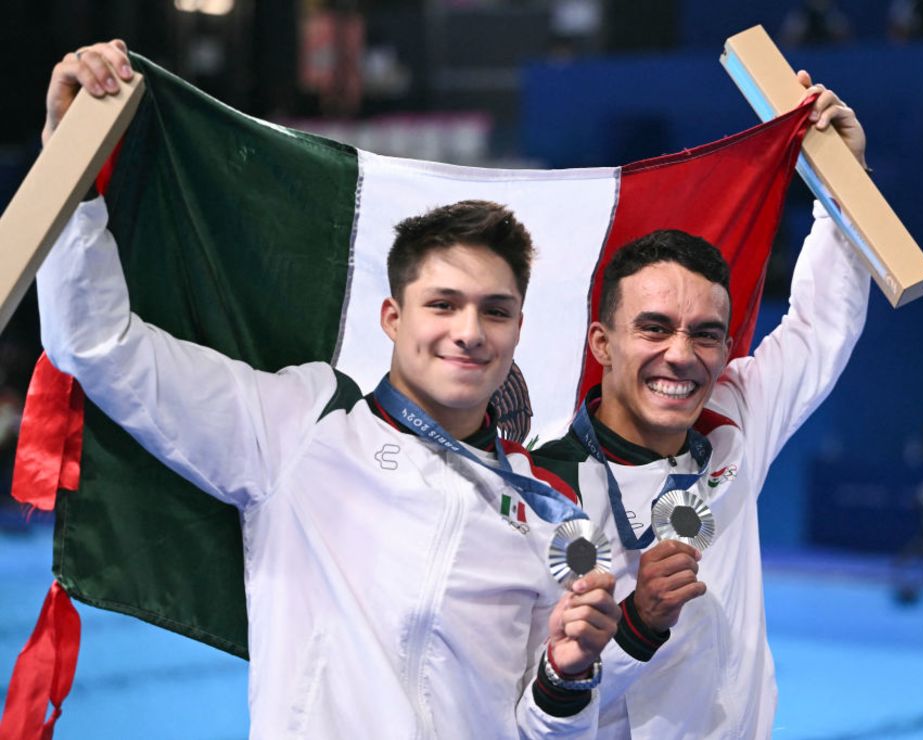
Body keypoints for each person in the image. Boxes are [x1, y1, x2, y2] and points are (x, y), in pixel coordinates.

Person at [38, 40, 620, 738]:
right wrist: (64, 168)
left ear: (518, 328)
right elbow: (97, 346)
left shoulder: (549, 512)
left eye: (494, 310)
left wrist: (564, 678)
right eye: (443, 304)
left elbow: (542, 730)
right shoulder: (300, 427)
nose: (469, 331)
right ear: (393, 318)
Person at [530, 73, 872, 738]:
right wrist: (638, 625)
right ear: (601, 342)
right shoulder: (544, 491)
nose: (682, 355)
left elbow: (818, 327)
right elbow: (532, 716)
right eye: (654, 328)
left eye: (706, 334)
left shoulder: (733, 422)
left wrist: (842, 183)